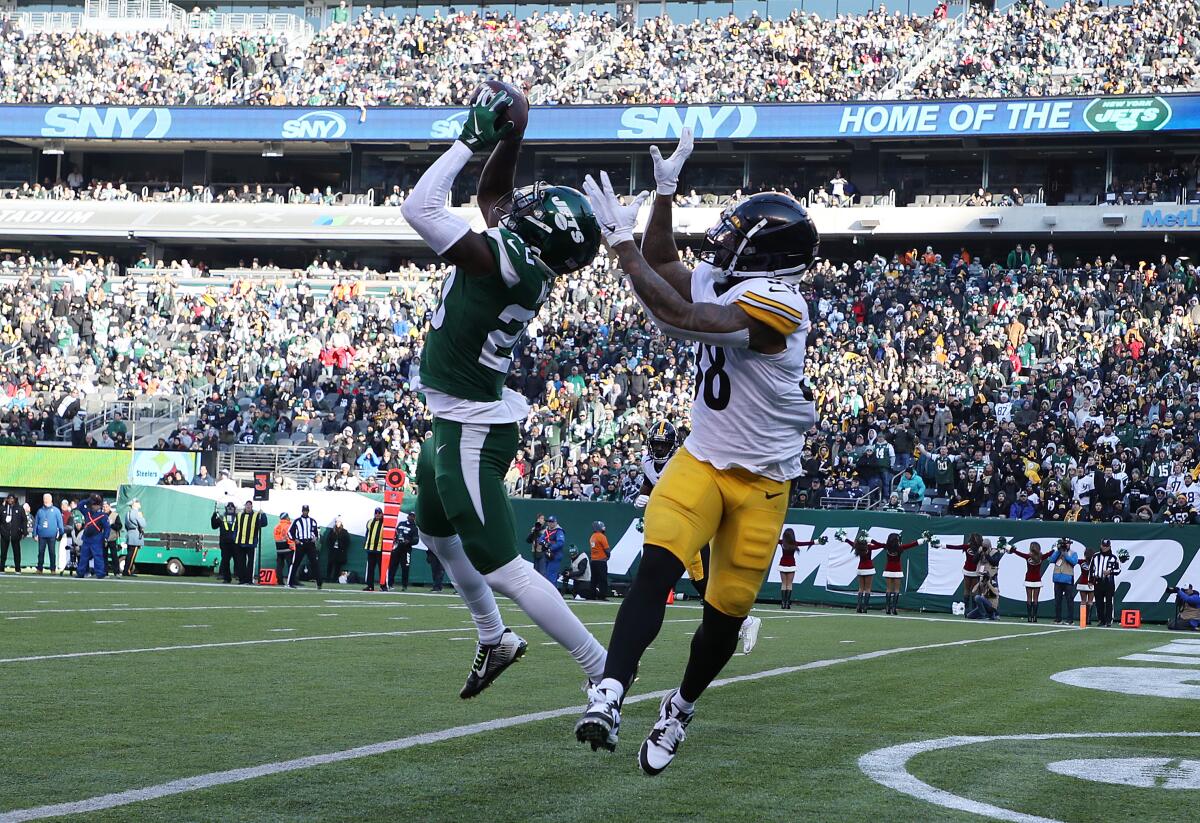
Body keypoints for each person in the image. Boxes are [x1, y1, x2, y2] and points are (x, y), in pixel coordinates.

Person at [577, 129, 820, 774]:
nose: (722, 243)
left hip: (764, 479)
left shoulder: (783, 306)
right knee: (655, 566)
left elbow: (683, 316)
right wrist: (663, 195)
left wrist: (620, 247)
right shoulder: (732, 278)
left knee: (724, 616)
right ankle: (609, 691)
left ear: (769, 257)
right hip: (703, 457)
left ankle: (679, 708)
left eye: (737, 236)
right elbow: (665, 268)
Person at [401, 83, 607, 692]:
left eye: (535, 207)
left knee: (507, 568)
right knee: (436, 531)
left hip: (470, 429)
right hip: (453, 417)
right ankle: (494, 638)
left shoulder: (507, 261)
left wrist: (469, 140)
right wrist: (513, 136)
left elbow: (419, 208)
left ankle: (601, 671)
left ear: (536, 233)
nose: (523, 204)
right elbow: (494, 194)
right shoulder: (524, 260)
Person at [414, 437, 525, 697]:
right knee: (445, 547)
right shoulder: (438, 441)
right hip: (462, 469)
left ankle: (602, 672)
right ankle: (493, 635)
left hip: (466, 466)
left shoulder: (440, 443)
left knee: (513, 577)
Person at [636, 420, 706, 596]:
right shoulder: (647, 461)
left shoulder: (681, 461)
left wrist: (652, 499)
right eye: (656, 444)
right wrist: (641, 496)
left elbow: (681, 493)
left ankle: (736, 618)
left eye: (663, 444)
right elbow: (648, 482)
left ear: (673, 445)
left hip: (689, 519)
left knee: (699, 575)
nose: (659, 448)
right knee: (653, 566)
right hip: (665, 522)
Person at [774, 528, 825, 610]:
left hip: (782, 564)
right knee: (789, 584)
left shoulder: (782, 543)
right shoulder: (795, 543)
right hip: (791, 564)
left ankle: (783, 603)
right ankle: (787, 603)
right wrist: (817, 541)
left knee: (784, 584)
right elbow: (806, 543)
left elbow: (773, 540)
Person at [938, 533, 984, 615]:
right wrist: (1003, 549)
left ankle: (966, 610)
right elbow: (991, 550)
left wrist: (941, 545)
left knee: (966, 589)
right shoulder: (980, 549)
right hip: (975, 571)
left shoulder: (966, 547)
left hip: (967, 570)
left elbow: (955, 547)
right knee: (974, 591)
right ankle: (972, 609)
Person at [1008, 541, 1048, 622]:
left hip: (1028, 579)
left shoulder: (1028, 556)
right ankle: (1035, 617)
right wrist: (1056, 548)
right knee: (1036, 599)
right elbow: (1051, 553)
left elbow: (1018, 553)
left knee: (1029, 598)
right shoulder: (1041, 557)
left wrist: (1012, 549)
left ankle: (1029, 617)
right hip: (1037, 580)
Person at [1088, 538, 1121, 627]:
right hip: (1098, 581)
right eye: (1103, 546)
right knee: (1099, 602)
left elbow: (1118, 570)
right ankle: (1101, 620)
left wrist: (1110, 572)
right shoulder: (1095, 556)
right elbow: (1091, 568)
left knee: (1109, 601)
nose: (1104, 548)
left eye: (1106, 546)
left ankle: (1108, 620)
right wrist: (1090, 581)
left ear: (1109, 546)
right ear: (1101, 545)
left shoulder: (1114, 557)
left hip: (1108, 582)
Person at [287, 504, 321, 589]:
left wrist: (315, 538)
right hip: (300, 544)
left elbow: (316, 532)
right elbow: (290, 532)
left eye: (306, 511)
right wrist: (295, 539)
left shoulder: (312, 521)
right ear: (302, 511)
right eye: (304, 511)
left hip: (310, 544)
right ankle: (290, 582)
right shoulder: (297, 521)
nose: (305, 512)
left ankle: (319, 583)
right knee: (296, 563)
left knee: (315, 563)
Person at [75, 494, 110, 578]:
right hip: (87, 537)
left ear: (99, 505)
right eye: (92, 504)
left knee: (98, 556)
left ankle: (100, 573)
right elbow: (79, 506)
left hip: (96, 537)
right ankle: (80, 573)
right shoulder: (87, 512)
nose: (93, 506)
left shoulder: (103, 515)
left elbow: (107, 527)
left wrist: (105, 538)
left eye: (95, 504)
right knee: (83, 556)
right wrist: (88, 500)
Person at [233, 501, 266, 585]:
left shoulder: (256, 515)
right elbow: (235, 527)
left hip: (251, 543)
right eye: (247, 505)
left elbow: (264, 523)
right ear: (245, 506)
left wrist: (263, 514)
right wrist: (235, 538)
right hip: (240, 542)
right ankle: (242, 579)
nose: (248, 507)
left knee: (250, 562)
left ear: (252, 506)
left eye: (249, 505)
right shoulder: (239, 515)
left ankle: (249, 580)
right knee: (241, 562)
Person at [1047, 537, 1079, 624]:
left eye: (1068, 543)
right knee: (1057, 600)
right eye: (1065, 543)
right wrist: (1058, 551)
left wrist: (1065, 554)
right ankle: (1058, 618)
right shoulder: (1057, 553)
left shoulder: (1073, 553)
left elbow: (1074, 562)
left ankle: (1070, 619)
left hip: (1068, 579)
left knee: (1069, 600)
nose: (1066, 545)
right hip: (1057, 579)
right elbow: (1051, 560)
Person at [386, 512, 418, 592]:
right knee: (392, 566)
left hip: (406, 550)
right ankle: (390, 584)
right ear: (407, 516)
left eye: (413, 516)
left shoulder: (414, 528)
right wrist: (395, 540)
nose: (411, 517)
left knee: (405, 568)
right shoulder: (401, 523)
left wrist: (408, 541)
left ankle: (404, 585)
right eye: (410, 515)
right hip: (397, 548)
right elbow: (395, 533)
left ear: (415, 518)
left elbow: (416, 540)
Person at [33, 493, 63, 574]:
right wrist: (34, 534)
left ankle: (53, 569)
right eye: (44, 499)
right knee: (41, 552)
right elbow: (36, 523)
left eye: (47, 499)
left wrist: (61, 533)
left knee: (52, 552)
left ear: (51, 500)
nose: (45, 500)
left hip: (52, 536)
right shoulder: (40, 511)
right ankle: (39, 568)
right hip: (41, 536)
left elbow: (60, 523)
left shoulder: (56, 511)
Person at [212, 501, 239, 583]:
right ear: (226, 508)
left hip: (236, 542)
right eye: (228, 506)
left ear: (235, 508)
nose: (230, 508)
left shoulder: (238, 517)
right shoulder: (221, 517)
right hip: (225, 543)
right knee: (225, 560)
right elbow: (214, 526)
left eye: (232, 507)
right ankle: (227, 578)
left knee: (238, 560)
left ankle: (239, 576)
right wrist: (214, 516)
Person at [0, 493, 27, 573]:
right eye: (9, 498)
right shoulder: (2, 508)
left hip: (16, 534)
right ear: (7, 499)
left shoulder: (20, 508)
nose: (11, 500)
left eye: (12, 498)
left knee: (17, 553)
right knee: (3, 553)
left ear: (15, 499)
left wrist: (24, 531)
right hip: (5, 534)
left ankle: (17, 569)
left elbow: (24, 520)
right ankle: (1, 568)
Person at [362, 507, 385, 591]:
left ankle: (383, 586)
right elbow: (367, 534)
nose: (377, 514)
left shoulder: (385, 523)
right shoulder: (370, 522)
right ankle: (370, 585)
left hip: (380, 549)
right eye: (376, 513)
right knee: (370, 568)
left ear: (382, 514)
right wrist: (366, 544)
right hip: (371, 549)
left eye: (379, 513)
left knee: (382, 569)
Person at [539, 515, 566, 585]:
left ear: (555, 522)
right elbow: (540, 539)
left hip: (555, 555)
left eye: (552, 522)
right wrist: (545, 543)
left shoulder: (559, 531)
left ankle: (552, 594)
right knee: (546, 576)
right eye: (549, 522)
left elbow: (560, 543)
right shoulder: (547, 530)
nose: (550, 523)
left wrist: (550, 546)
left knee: (551, 577)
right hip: (547, 555)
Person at [323, 517, 351, 583]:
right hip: (332, 551)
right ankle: (328, 578)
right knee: (330, 564)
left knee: (338, 566)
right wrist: (331, 547)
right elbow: (328, 541)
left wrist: (342, 548)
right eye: (336, 522)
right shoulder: (332, 531)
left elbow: (347, 542)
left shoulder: (344, 532)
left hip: (340, 552)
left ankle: (335, 579)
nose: (337, 523)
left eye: (339, 522)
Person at [588, 521, 610, 601]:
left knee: (594, 579)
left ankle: (592, 595)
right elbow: (607, 549)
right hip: (601, 561)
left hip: (593, 561)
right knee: (603, 579)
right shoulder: (601, 536)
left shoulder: (592, 537)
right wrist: (608, 556)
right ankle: (602, 595)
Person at [102, 501, 123, 577]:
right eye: (104, 507)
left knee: (114, 556)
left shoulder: (115, 515)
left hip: (112, 538)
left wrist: (111, 525)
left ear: (109, 507)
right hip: (103, 538)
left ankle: (116, 572)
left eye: (106, 506)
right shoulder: (101, 515)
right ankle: (105, 572)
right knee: (104, 556)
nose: (105, 508)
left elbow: (119, 526)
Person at [1076, 546, 1095, 624]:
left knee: (1083, 601)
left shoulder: (1081, 562)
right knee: (1090, 601)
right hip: (1091, 583)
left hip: (1082, 583)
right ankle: (1088, 620)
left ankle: (1083, 619)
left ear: (1085, 555)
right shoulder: (1095, 563)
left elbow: (1073, 561)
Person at [273, 512, 294, 584]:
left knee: (279, 565)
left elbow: (276, 537)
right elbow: (290, 537)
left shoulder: (276, 526)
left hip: (278, 547)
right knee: (291, 564)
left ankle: (280, 580)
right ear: (286, 517)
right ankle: (292, 580)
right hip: (287, 547)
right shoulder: (289, 526)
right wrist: (292, 546)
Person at [527, 513, 548, 578]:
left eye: (543, 519)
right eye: (540, 518)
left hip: (543, 552)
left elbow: (546, 539)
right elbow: (529, 540)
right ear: (537, 520)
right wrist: (535, 531)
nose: (542, 520)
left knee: (542, 573)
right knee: (535, 573)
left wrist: (539, 531)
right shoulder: (534, 528)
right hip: (535, 553)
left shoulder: (546, 529)